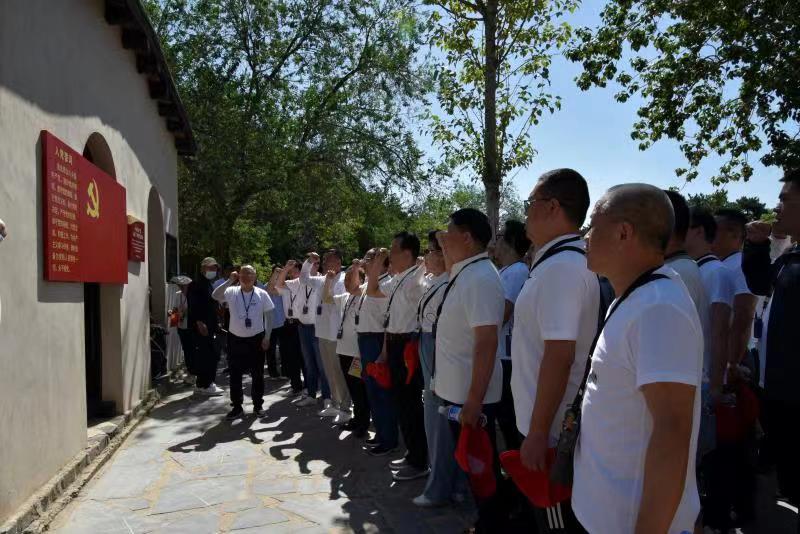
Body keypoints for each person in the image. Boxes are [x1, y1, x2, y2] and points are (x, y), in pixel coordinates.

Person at [573, 184, 702, 534]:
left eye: (592, 226)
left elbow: (672, 431)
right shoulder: (635, 297)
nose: (585, 236)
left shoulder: (659, 307)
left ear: (623, 232)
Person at [511, 168, 600, 531]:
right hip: (542, 423)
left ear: (551, 207)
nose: (526, 211)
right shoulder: (555, 262)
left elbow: (560, 357)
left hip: (548, 431)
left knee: (554, 521)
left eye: (530, 202)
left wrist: (537, 433)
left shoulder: (562, 268)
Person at [436, 208, 505, 532]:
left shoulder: (480, 277)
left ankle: (491, 525)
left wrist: (474, 401)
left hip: (471, 400)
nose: (442, 238)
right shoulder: (465, 272)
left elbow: (486, 342)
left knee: (481, 469)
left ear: (466, 237)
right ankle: (485, 520)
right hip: (460, 396)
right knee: (472, 467)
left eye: (448, 232)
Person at [743, 170, 800, 524]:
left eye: (785, 199)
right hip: (779, 394)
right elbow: (761, 284)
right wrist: (755, 245)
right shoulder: (790, 255)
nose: (776, 207)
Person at [368, 232, 429, 482]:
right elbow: (372, 290)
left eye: (393, 250)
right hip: (393, 344)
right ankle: (412, 453)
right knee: (401, 403)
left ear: (407, 253)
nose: (389, 254)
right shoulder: (398, 279)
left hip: (407, 346)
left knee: (411, 404)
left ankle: (420, 460)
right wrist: (377, 262)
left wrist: (423, 265)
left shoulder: (416, 280)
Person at [413, 231, 467, 507]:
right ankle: (450, 482)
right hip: (428, 346)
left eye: (431, 251)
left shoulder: (452, 282)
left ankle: (442, 486)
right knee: (435, 417)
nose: (426, 257)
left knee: (439, 420)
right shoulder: (435, 281)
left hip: (437, 350)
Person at [212, 265, 274, 419]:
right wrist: (229, 280)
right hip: (235, 338)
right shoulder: (231, 291)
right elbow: (215, 295)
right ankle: (237, 407)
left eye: (250, 273)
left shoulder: (262, 293)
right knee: (235, 374)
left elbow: (269, 317)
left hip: (256, 338)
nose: (247, 277)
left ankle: (258, 405)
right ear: (238, 276)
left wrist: (267, 337)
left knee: (257, 374)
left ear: (255, 276)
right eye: (244, 274)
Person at [355, 248, 397, 456]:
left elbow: (388, 323)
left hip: (377, 340)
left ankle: (389, 439)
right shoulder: (368, 284)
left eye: (371, 259)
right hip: (365, 339)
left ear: (383, 263)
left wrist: (384, 351)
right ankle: (381, 433)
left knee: (382, 393)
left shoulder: (386, 284)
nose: (367, 261)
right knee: (372, 392)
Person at [493, 220, 530, 452]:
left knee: (508, 417)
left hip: (507, 356)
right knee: (504, 416)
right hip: (500, 354)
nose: (495, 242)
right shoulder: (505, 271)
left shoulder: (517, 272)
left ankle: (515, 463)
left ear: (510, 241)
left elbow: (503, 313)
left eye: (499, 236)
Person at [301, 250, 350, 418]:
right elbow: (304, 279)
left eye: (329, 260)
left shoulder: (343, 280)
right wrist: (309, 261)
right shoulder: (322, 279)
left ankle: (345, 408)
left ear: (338, 262)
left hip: (335, 334)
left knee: (338, 372)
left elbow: (329, 299)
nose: (324, 263)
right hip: (322, 332)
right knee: (329, 372)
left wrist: (328, 281)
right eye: (324, 260)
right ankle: (335, 404)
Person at [277, 257, 330, 408]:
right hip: (303, 327)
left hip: (318, 328)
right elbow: (279, 285)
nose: (315, 265)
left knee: (322, 365)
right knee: (309, 364)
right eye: (311, 262)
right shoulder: (299, 281)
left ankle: (327, 397)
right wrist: (286, 269)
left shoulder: (323, 280)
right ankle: (311, 395)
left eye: (317, 263)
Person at [326, 262, 370, 435]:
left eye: (350, 280)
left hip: (356, 353)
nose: (346, 283)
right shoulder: (346, 297)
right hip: (343, 351)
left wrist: (357, 267)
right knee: (352, 388)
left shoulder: (365, 296)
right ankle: (357, 419)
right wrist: (329, 281)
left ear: (361, 280)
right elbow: (327, 298)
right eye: (345, 280)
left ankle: (363, 423)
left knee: (359, 390)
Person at [713, 208, 757, 369]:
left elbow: (744, 315)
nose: (709, 234)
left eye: (715, 229)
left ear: (735, 235)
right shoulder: (722, 264)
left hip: (733, 358)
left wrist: (733, 363)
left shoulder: (741, 266)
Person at [186, 257, 224, 396]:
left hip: (210, 326)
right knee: (205, 356)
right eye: (210, 268)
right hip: (202, 327)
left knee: (211, 355)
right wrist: (199, 322)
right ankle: (205, 385)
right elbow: (193, 305)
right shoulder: (196, 284)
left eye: (214, 268)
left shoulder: (209, 284)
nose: (213, 270)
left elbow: (211, 305)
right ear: (202, 268)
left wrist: (217, 321)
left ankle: (204, 383)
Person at [269, 262, 304, 397]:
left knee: (304, 358)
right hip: (287, 324)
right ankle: (296, 386)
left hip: (301, 324)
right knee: (291, 358)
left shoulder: (304, 285)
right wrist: (278, 272)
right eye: (290, 271)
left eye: (294, 270)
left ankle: (308, 387)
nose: (291, 273)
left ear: (301, 271)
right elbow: (270, 289)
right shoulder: (286, 286)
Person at [169, 276, 196, 385]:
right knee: (186, 350)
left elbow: (196, 310)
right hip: (181, 326)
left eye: (183, 285)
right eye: (179, 285)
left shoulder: (194, 296)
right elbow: (175, 309)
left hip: (192, 327)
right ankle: (190, 373)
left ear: (188, 285)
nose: (181, 287)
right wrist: (173, 313)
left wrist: (186, 311)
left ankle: (193, 374)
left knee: (192, 351)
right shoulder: (178, 295)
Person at [264, 266, 285, 380]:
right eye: (276, 273)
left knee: (283, 349)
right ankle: (273, 373)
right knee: (270, 350)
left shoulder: (284, 286)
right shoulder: (266, 286)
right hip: (270, 324)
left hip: (283, 322)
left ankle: (284, 371)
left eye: (280, 273)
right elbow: (268, 291)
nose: (278, 275)